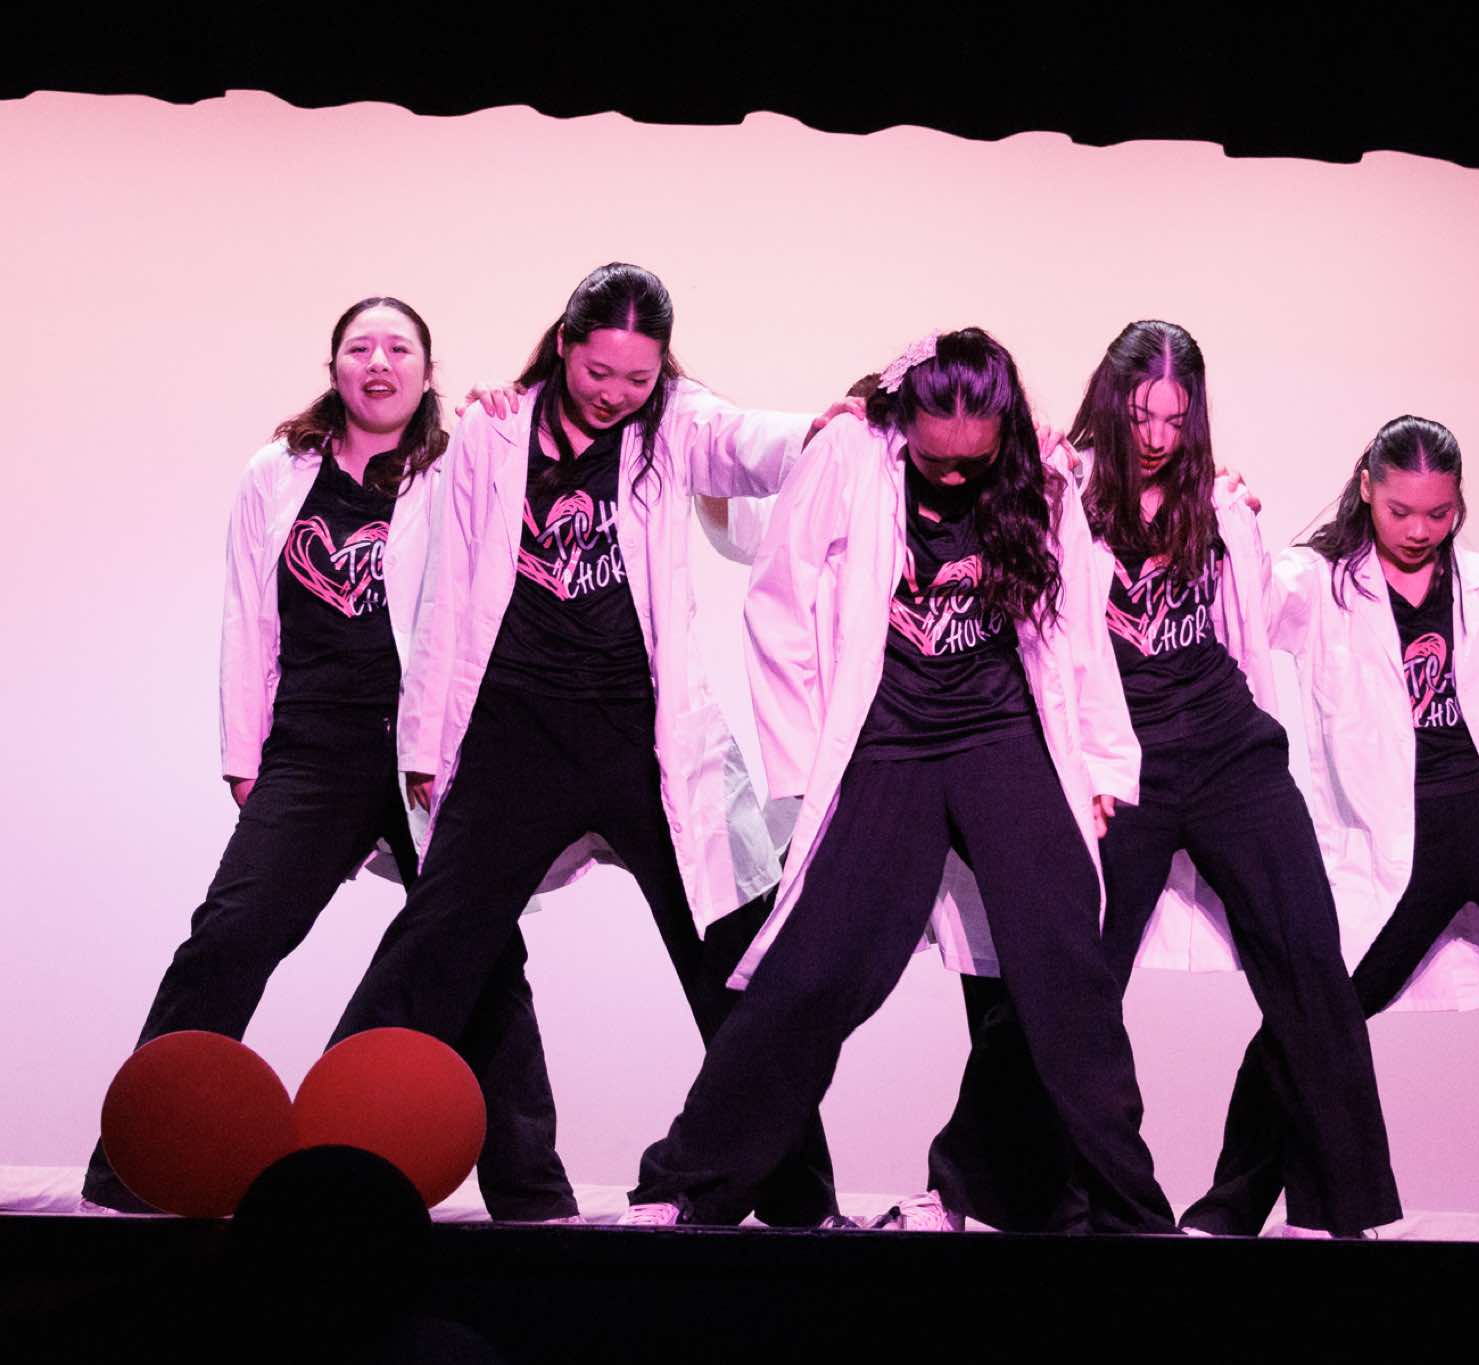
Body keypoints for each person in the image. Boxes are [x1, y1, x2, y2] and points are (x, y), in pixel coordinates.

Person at [625, 328, 1179, 1234]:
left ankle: (1131, 1213)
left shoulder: (1040, 474)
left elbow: (1079, 623)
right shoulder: (850, 452)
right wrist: (805, 762)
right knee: (814, 972)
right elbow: (777, 600)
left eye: (973, 460)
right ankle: (687, 1184)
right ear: (903, 420)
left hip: (1005, 738)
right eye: (935, 458)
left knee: (1066, 973)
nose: (953, 476)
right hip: (890, 743)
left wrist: (1105, 762)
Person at [327, 263, 842, 1227]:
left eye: (637, 378)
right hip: (514, 730)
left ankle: (796, 1196)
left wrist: (833, 429)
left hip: (646, 737)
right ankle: (327, 1155)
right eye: (599, 371)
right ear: (564, 344)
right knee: (436, 944)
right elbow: (445, 591)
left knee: (737, 955)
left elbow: (752, 444)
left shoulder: (676, 423)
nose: (614, 394)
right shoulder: (491, 431)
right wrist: (425, 740)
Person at [83, 298, 575, 1220]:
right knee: (229, 934)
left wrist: (512, 409)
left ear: (427, 372)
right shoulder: (276, 473)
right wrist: (243, 751)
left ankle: (533, 1195)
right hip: (314, 744)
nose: (378, 362)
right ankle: (134, 1166)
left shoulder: (460, 464)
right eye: (360, 347)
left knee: (479, 957)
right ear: (335, 366)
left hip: (431, 753)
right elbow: (247, 613)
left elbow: (551, 467)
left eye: (399, 348)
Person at [919, 320, 1401, 1237]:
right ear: (1112, 401)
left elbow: (1255, 620)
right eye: (1142, 416)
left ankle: (1345, 1210)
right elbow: (943, 469)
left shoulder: (1214, 503)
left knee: (1308, 956)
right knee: (1067, 974)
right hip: (1119, 762)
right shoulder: (1056, 487)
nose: (1157, 437)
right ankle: (968, 1187)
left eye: (1176, 420)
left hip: (1227, 747)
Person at [1179, 414, 1479, 1241]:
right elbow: (1243, 608)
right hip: (1394, 838)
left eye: (1438, 512)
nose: (1418, 530)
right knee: (1311, 1013)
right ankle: (1227, 1212)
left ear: (1458, 502)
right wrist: (1229, 519)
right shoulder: (1319, 582)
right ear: (1367, 487)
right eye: (1401, 509)